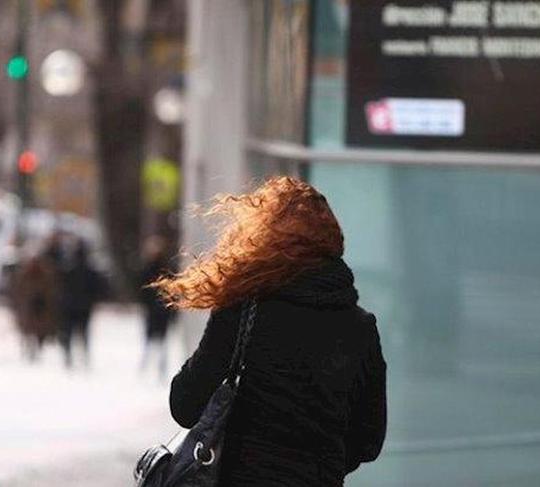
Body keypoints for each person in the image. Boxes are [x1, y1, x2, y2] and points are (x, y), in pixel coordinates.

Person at [147, 176, 387, 486]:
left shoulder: (243, 310)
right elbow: (368, 440)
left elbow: (185, 406)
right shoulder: (361, 329)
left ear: (263, 241)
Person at [58, 240, 103, 369]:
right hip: (83, 307)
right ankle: (82, 356)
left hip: (71, 306)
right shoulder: (89, 271)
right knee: (82, 333)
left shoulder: (68, 270)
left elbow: (62, 288)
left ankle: (70, 357)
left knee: (70, 333)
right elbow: (98, 289)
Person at [139, 236, 178, 380]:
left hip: (162, 312)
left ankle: (159, 367)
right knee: (150, 339)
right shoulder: (151, 269)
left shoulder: (165, 271)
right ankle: (146, 366)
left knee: (161, 341)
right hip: (155, 311)